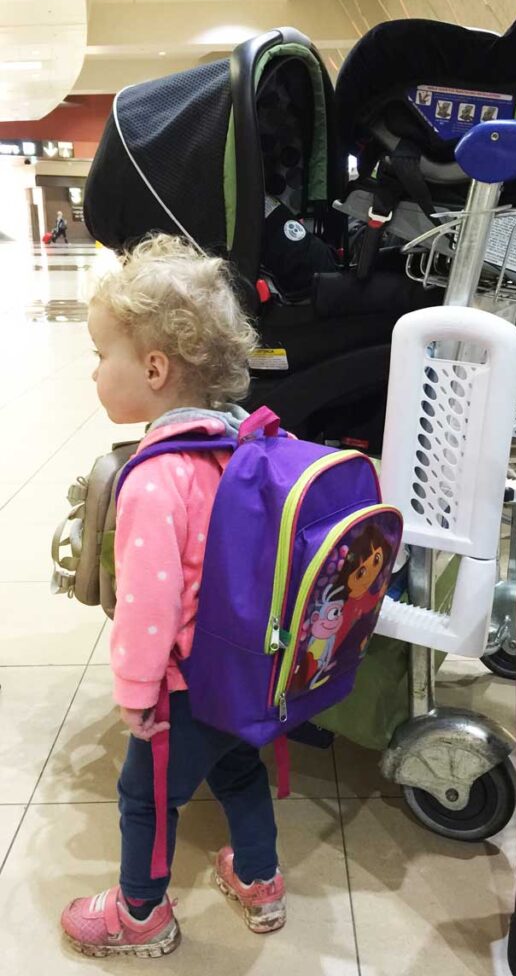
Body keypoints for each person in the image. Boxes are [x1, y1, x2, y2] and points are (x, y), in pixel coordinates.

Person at [60, 235, 285, 958]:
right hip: (247, 669)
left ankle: (139, 916)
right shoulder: (248, 447)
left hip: (182, 686)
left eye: (102, 356)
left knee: (145, 798)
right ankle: (259, 881)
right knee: (237, 768)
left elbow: (148, 606)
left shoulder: (157, 477)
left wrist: (134, 692)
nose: (95, 372)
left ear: (154, 368)